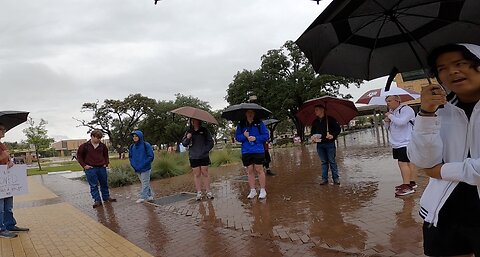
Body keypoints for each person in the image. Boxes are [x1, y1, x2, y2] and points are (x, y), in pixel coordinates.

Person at [407, 43, 480, 256]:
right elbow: (423, 161)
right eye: (442, 68)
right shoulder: (441, 110)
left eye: (460, 64)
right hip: (442, 213)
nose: (451, 72)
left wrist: (442, 171)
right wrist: (427, 114)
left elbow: (433, 169)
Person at [384, 95, 417, 196]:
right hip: (397, 142)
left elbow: (401, 122)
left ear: (397, 100)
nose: (388, 103)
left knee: (403, 163)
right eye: (386, 101)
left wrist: (390, 116)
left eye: (389, 101)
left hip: (406, 141)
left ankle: (406, 185)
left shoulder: (406, 109)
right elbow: (388, 128)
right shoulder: (393, 112)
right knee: (407, 163)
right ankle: (411, 183)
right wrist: (387, 120)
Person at [0, 123, 29, 239]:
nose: (4, 132)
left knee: (8, 205)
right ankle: (1, 229)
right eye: (2, 129)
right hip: (1, 181)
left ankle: (9, 224)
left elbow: (5, 160)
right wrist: (2, 157)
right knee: (0, 206)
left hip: (6, 180)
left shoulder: (2, 145)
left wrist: (9, 161)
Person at [77, 130, 116, 208]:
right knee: (93, 185)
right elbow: (79, 157)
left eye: (100, 138)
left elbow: (106, 155)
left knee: (104, 183)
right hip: (90, 169)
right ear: (92, 136)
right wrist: (84, 166)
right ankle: (97, 200)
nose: (99, 140)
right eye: (97, 138)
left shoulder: (103, 146)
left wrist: (106, 163)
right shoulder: (84, 146)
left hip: (101, 168)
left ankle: (106, 197)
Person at [235, 110, 269, 199]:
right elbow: (237, 137)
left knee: (259, 169)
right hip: (246, 151)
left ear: (254, 114)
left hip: (258, 150)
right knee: (249, 170)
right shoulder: (241, 124)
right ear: (245, 114)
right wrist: (244, 136)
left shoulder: (259, 123)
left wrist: (255, 138)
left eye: (252, 113)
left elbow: (266, 136)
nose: (250, 114)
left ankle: (262, 190)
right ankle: (252, 190)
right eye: (248, 112)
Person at [182, 118, 215, 201]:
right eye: (192, 120)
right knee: (197, 175)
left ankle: (208, 191)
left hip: (203, 156)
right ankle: (199, 192)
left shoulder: (204, 130)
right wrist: (188, 138)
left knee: (205, 173)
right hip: (193, 156)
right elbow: (184, 143)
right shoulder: (189, 131)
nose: (194, 122)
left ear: (199, 121)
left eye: (195, 120)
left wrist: (205, 150)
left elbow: (211, 142)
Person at [310, 104, 341, 185]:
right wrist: (313, 138)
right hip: (320, 145)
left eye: (317, 110)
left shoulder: (330, 119)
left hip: (330, 144)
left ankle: (336, 178)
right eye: (315, 110)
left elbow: (338, 129)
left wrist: (332, 135)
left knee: (332, 161)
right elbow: (312, 132)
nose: (315, 112)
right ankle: (324, 179)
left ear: (322, 110)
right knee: (324, 162)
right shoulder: (315, 122)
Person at [129, 130, 154, 203]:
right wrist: (133, 165)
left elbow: (151, 156)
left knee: (145, 183)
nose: (134, 137)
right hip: (137, 169)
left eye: (136, 136)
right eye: (133, 136)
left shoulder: (146, 145)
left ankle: (142, 197)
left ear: (140, 136)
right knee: (144, 183)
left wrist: (143, 164)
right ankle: (150, 196)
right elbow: (130, 157)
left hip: (145, 168)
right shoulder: (132, 146)